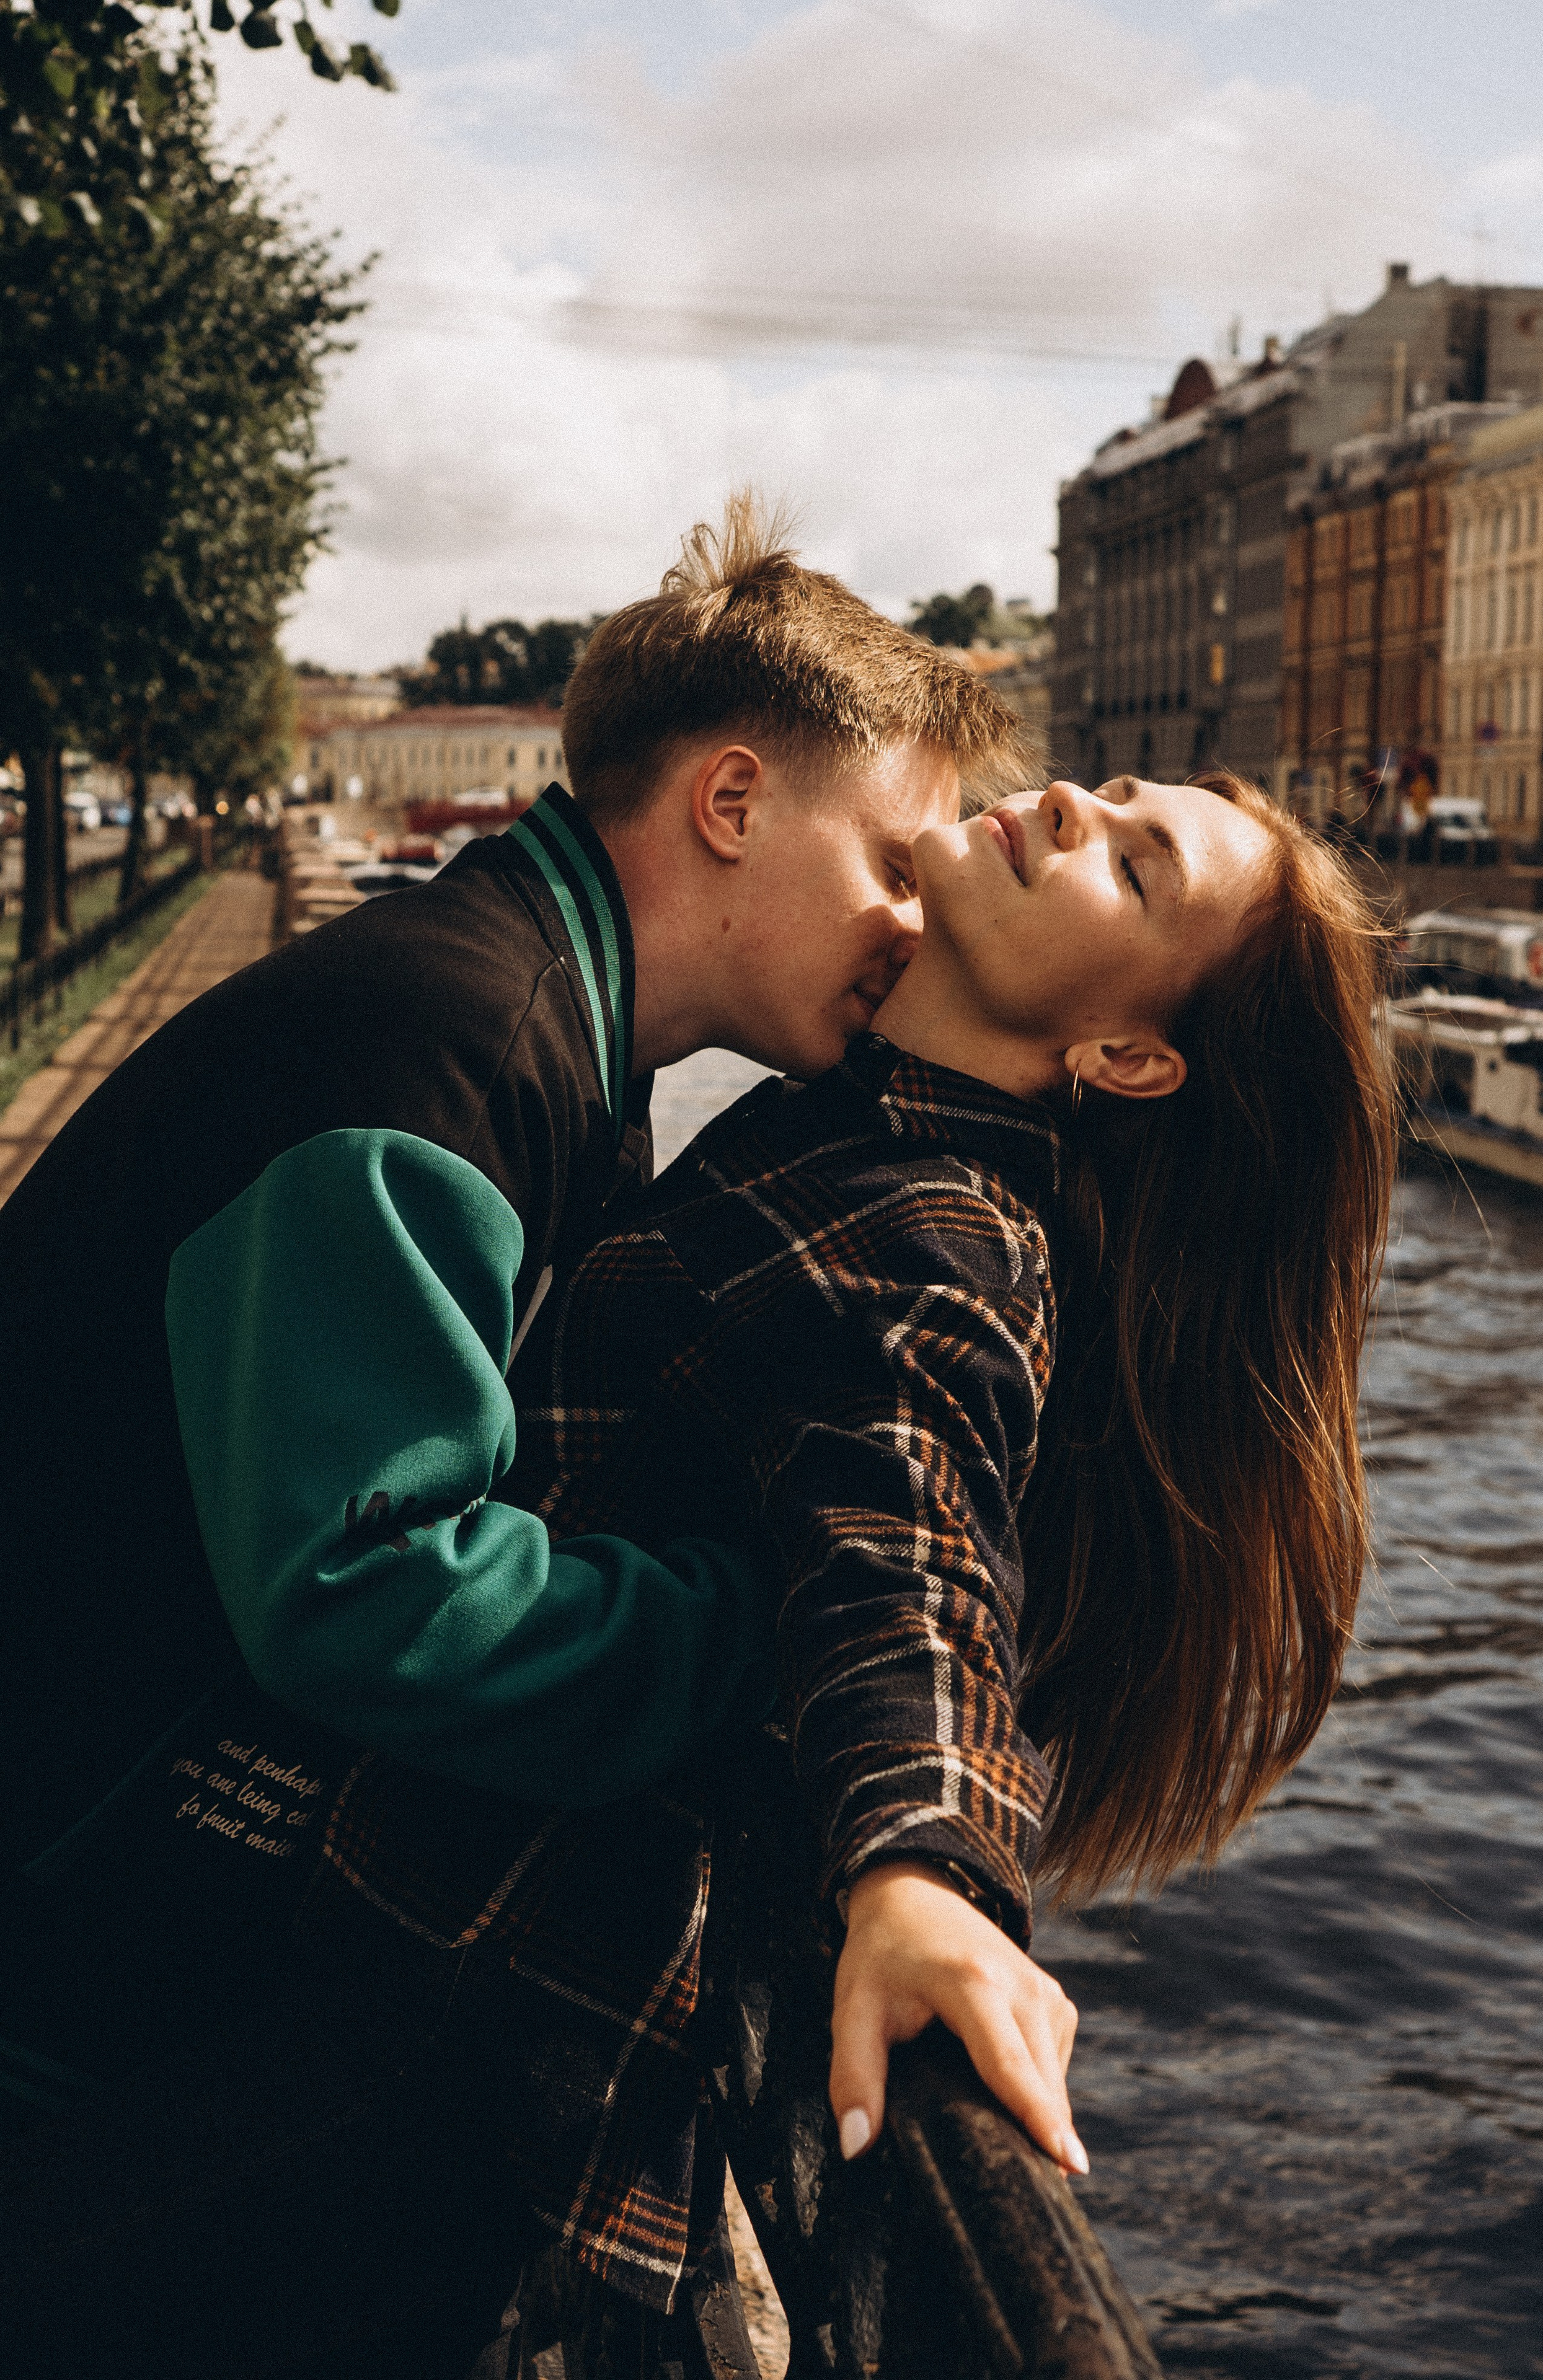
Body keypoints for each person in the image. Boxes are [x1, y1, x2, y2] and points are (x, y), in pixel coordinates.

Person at [0, 498, 1038, 2376]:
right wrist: (758, 1632)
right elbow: (370, 1585)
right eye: (894, 858)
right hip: (61, 1901)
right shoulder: (441, 1052)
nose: (918, 917)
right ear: (734, 801)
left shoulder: (522, 1021)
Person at [314, 765, 1397, 2367]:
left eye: (1138, 863)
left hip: (460, 2029)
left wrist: (929, 1868)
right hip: (446, 1966)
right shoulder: (866, 1125)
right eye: (1109, 790)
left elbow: (911, 1547)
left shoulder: (937, 1237)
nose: (1073, 808)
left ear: (1124, 1055)